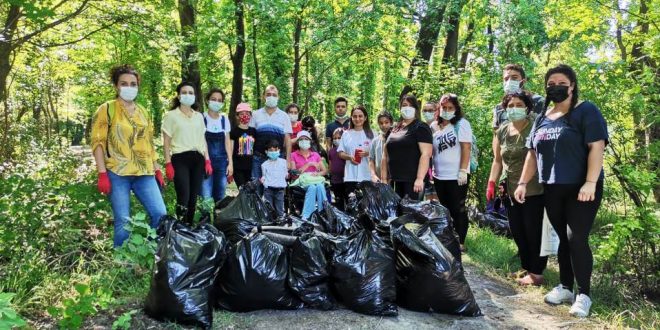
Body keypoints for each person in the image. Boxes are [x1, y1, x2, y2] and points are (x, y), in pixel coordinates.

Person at [514, 64, 608, 318]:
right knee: (562, 239)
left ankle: (584, 294)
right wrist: (522, 183)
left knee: (576, 237)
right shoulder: (543, 116)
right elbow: (532, 154)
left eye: (561, 82)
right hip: (552, 188)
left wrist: (590, 182)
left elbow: (597, 147)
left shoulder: (585, 111)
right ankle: (566, 286)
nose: (555, 87)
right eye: (550, 83)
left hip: (582, 188)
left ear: (572, 85)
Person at [91, 64, 166, 247]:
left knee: (160, 213)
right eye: (124, 83)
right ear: (116, 86)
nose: (129, 87)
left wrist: (157, 169)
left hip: (144, 173)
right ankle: (121, 263)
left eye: (133, 84)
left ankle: (151, 251)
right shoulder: (106, 109)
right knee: (123, 222)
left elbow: (148, 143)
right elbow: (98, 143)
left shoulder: (143, 112)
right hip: (117, 173)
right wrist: (102, 173)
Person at [487, 92, 547, 286]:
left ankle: (537, 273)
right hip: (510, 189)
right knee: (518, 230)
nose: (514, 108)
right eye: (510, 105)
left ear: (527, 107)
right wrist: (492, 183)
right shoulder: (502, 130)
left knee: (533, 230)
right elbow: (497, 160)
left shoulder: (536, 126)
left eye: (519, 104)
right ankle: (525, 267)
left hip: (534, 188)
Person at [162, 81, 212, 224]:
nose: (187, 95)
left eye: (191, 92)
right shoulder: (171, 116)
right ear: (178, 96)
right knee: (183, 194)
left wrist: (207, 160)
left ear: (195, 96)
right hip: (180, 159)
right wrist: (168, 163)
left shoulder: (199, 116)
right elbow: (166, 141)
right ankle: (180, 226)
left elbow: (203, 139)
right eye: (184, 92)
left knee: (193, 197)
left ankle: (189, 226)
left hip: (198, 159)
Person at [431, 94, 473, 252]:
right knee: (444, 208)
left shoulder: (462, 124)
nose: (447, 110)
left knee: (458, 208)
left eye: (450, 108)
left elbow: (466, 147)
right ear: (439, 108)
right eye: (444, 107)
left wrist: (463, 170)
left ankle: (461, 241)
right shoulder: (434, 126)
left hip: (457, 175)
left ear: (456, 109)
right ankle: (448, 237)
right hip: (439, 175)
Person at [381, 95, 433, 200]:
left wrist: (419, 178)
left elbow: (426, 154)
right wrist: (384, 179)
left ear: (415, 109)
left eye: (411, 105)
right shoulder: (394, 129)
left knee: (410, 214)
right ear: (400, 108)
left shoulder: (421, 127)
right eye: (404, 105)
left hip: (413, 182)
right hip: (394, 180)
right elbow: (385, 155)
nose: (407, 107)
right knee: (397, 214)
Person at [250, 85, 293, 180]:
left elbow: (288, 140)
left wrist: (288, 160)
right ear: (263, 96)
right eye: (268, 94)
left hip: (278, 158)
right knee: (256, 187)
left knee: (275, 189)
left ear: (278, 97)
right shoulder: (255, 114)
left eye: (274, 95)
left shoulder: (284, 116)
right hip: (258, 158)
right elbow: (250, 137)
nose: (271, 97)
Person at [200, 88, 233, 202]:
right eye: (213, 99)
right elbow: (201, 140)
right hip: (205, 162)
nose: (216, 102)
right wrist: (207, 160)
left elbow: (227, 142)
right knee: (206, 196)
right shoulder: (201, 118)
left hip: (222, 162)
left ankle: (218, 219)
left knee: (220, 196)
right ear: (207, 100)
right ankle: (206, 219)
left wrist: (230, 164)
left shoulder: (224, 119)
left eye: (219, 100)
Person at [493, 63, 545, 129]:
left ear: (523, 81)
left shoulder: (539, 101)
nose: (509, 81)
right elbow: (496, 134)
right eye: (506, 79)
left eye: (514, 78)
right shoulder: (499, 108)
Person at [337, 105, 374, 196]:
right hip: (350, 176)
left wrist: (368, 153)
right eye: (355, 116)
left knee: (366, 207)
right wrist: (349, 157)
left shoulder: (373, 134)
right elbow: (340, 153)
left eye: (360, 116)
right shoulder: (346, 134)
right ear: (351, 118)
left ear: (365, 118)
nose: (357, 119)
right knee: (352, 205)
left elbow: (378, 154)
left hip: (367, 176)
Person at [291, 130, 328, 220]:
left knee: (319, 186)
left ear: (310, 141)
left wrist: (317, 173)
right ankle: (307, 216)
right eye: (301, 139)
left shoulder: (315, 155)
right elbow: (294, 173)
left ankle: (323, 212)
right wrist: (309, 164)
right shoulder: (293, 155)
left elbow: (325, 171)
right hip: (301, 181)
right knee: (312, 187)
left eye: (306, 139)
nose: (304, 141)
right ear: (298, 142)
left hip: (315, 179)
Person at [230, 103, 256, 188]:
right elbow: (231, 149)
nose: (245, 116)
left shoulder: (254, 131)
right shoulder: (234, 131)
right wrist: (230, 165)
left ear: (250, 116)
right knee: (243, 190)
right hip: (238, 167)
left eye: (247, 114)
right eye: (241, 114)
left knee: (250, 191)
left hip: (250, 167)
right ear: (237, 116)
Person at [261, 140, 288, 217]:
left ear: (278, 150)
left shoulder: (284, 162)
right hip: (268, 190)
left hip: (280, 190)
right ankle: (270, 224)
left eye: (275, 150)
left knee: (280, 209)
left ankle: (280, 224)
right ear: (266, 152)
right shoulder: (264, 165)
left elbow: (286, 174)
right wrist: (263, 182)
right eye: (270, 150)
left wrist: (287, 175)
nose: (273, 152)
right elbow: (264, 176)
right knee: (269, 210)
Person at [369, 112, 393, 182]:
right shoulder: (375, 141)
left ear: (391, 123)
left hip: (393, 179)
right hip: (379, 179)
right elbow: (371, 159)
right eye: (381, 123)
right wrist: (373, 175)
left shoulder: (396, 140)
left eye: (386, 122)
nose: (384, 125)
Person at [328, 128, 347, 210]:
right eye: (335, 138)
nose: (336, 140)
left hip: (345, 179)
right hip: (335, 180)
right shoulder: (331, 151)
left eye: (339, 138)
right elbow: (330, 165)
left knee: (347, 198)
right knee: (338, 200)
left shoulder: (346, 150)